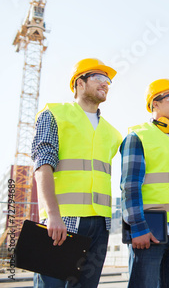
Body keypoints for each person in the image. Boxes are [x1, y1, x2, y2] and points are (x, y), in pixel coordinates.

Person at [31, 58, 122, 287]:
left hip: (100, 225)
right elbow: (43, 165)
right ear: (79, 82)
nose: (106, 84)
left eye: (108, 80)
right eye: (99, 78)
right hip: (63, 219)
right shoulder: (54, 114)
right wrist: (52, 214)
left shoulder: (112, 134)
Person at [121, 79, 169, 288]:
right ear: (155, 103)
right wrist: (137, 227)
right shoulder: (138, 137)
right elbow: (129, 185)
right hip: (149, 230)